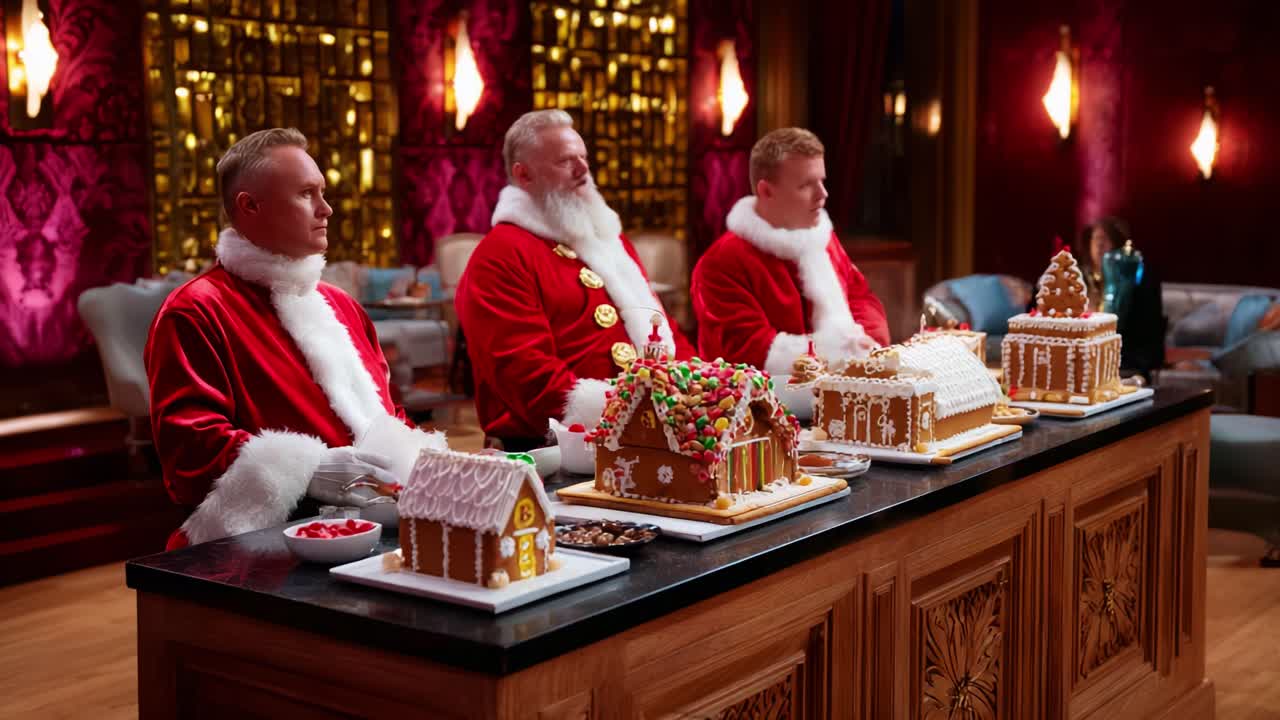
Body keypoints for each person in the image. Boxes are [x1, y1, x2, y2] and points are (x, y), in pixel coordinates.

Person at [145, 128, 445, 549]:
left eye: (322, 192)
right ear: (249, 206)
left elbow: (388, 417)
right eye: (306, 194)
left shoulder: (342, 306)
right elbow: (189, 449)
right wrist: (308, 469)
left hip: (376, 532)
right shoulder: (195, 310)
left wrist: (439, 467)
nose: (326, 209)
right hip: (265, 548)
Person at [456, 110, 694, 448]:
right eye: (565, 161)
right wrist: (633, 413)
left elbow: (661, 328)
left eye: (583, 157)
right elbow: (525, 375)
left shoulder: (608, 241)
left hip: (650, 431)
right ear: (524, 176)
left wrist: (695, 388)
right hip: (553, 448)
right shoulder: (500, 256)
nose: (583, 170)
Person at [690, 128, 890, 376]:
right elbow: (746, 351)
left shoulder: (824, 240)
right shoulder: (720, 263)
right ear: (766, 191)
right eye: (806, 185)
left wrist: (864, 343)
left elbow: (863, 298)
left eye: (822, 181)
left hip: (838, 397)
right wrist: (841, 354)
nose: (823, 195)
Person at [1078, 216, 1165, 374]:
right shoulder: (1080, 279)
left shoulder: (1138, 279)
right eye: (1096, 238)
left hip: (1127, 361)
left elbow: (1148, 339)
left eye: (1105, 239)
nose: (1099, 245)